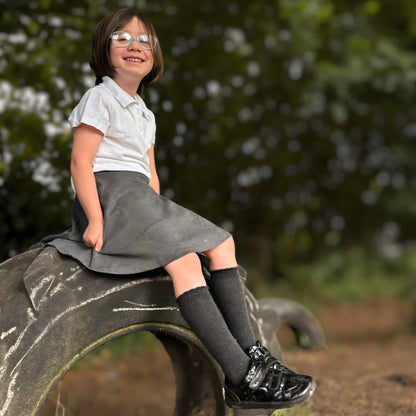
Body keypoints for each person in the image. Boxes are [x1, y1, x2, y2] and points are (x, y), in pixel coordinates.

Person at [45, 8, 316, 409]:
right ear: (104, 51)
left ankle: (255, 361)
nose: (134, 46)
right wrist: (96, 219)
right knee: (186, 261)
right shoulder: (99, 97)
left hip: (141, 198)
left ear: (154, 56)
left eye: (144, 40)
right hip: (111, 197)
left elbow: (150, 175)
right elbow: (81, 162)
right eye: (122, 38)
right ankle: (241, 376)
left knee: (222, 243)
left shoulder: (145, 114)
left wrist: (160, 212)